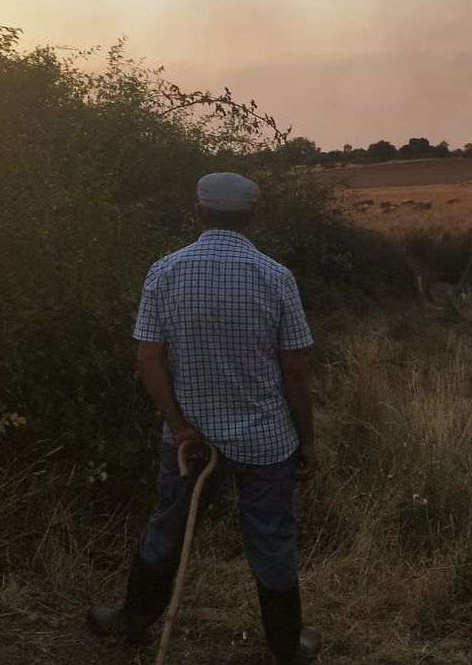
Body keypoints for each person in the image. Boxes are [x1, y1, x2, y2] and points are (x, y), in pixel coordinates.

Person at [87, 172, 322, 664]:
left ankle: (132, 622)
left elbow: (147, 358)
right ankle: (286, 646)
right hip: (267, 442)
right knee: (272, 537)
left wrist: (177, 425)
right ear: (252, 217)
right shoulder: (276, 276)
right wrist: (308, 440)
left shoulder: (165, 271)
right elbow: (295, 371)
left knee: (167, 526)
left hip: (190, 442)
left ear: (198, 213)